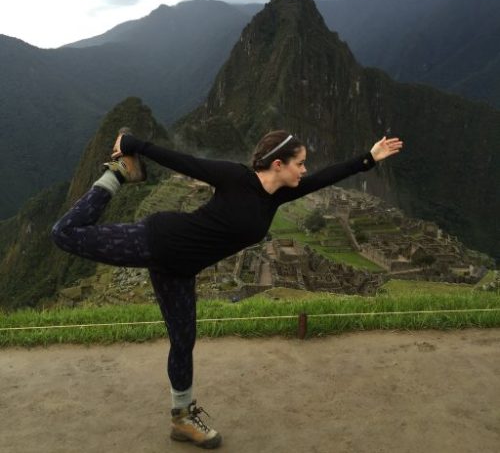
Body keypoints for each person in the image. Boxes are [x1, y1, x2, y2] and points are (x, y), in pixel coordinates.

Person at [51, 128, 403, 449]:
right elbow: (185, 162)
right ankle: (118, 173)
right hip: (157, 241)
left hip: (179, 270)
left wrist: (369, 158)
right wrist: (134, 145)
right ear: (278, 164)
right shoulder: (235, 178)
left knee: (183, 342)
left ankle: (182, 419)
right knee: (64, 234)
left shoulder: (276, 197)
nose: (304, 170)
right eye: (300, 163)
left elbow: (326, 177)